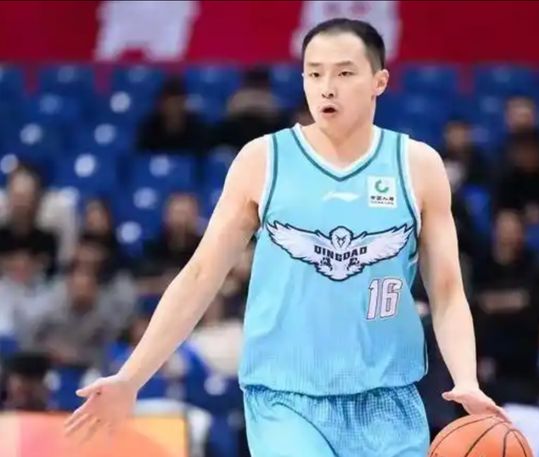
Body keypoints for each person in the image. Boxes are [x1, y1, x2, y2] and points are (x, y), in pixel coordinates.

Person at [65, 18, 506, 456]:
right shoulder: (263, 160)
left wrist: (466, 379)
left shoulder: (417, 166)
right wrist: (131, 377)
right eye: (314, 73)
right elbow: (200, 276)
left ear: (379, 81)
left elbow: (447, 291)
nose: (327, 88)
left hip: (388, 399)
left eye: (344, 73)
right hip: (286, 399)